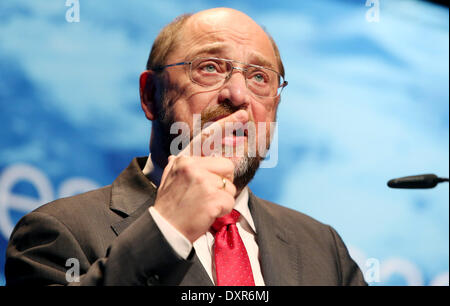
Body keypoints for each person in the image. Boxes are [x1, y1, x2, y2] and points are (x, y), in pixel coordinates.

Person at [5, 7, 367, 286]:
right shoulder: (57, 233)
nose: (238, 95)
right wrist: (165, 229)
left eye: (259, 77)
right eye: (209, 68)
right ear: (150, 95)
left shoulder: (323, 248)